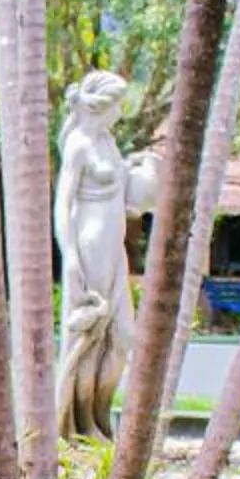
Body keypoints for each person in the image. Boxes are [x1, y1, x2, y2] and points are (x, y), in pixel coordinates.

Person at [54, 69, 154, 440]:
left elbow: (123, 192)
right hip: (91, 246)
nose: (120, 113)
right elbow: (63, 205)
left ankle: (100, 413)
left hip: (114, 249)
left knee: (123, 336)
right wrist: (72, 257)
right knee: (90, 338)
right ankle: (80, 424)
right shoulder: (79, 143)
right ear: (101, 105)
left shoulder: (107, 141)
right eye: (118, 105)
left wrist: (139, 170)